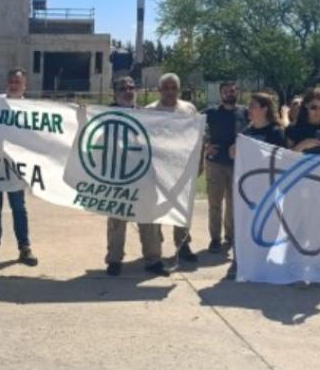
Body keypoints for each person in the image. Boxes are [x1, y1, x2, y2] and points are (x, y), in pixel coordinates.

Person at [104, 76, 170, 277]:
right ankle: (114, 260)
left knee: (149, 217)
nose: (128, 91)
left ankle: (153, 260)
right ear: (115, 92)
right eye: (123, 88)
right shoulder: (104, 115)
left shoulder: (146, 115)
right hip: (117, 176)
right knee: (116, 220)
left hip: (143, 175)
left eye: (132, 88)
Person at [0, 68, 38, 266]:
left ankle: (24, 248)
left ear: (25, 86)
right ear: (7, 83)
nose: (14, 84)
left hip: (16, 168)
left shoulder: (31, 108)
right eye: (11, 81)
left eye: (18, 82)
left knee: (19, 208)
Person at [226, 92, 286, 279]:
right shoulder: (246, 132)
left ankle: (263, 263)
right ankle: (238, 263)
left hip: (268, 190)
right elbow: (232, 154)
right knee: (243, 226)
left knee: (267, 227)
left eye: (252, 106)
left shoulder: (276, 132)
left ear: (264, 109)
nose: (249, 109)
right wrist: (234, 149)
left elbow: (282, 159)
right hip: (247, 191)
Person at [143, 73, 199, 263]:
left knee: (182, 206)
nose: (170, 91)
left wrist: (198, 163)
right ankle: (155, 245)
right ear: (159, 90)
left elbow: (197, 136)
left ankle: (182, 244)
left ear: (178, 89)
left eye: (173, 88)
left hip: (181, 167)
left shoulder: (189, 109)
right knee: (156, 207)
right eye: (165, 88)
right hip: (157, 168)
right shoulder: (149, 111)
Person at [204, 81, 248, 254]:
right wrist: (205, 144)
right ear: (221, 94)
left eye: (233, 90)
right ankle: (215, 238)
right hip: (215, 163)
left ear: (237, 92)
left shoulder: (245, 112)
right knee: (214, 202)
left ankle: (230, 236)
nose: (230, 93)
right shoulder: (211, 112)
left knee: (233, 203)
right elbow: (193, 127)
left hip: (238, 164)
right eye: (226, 91)